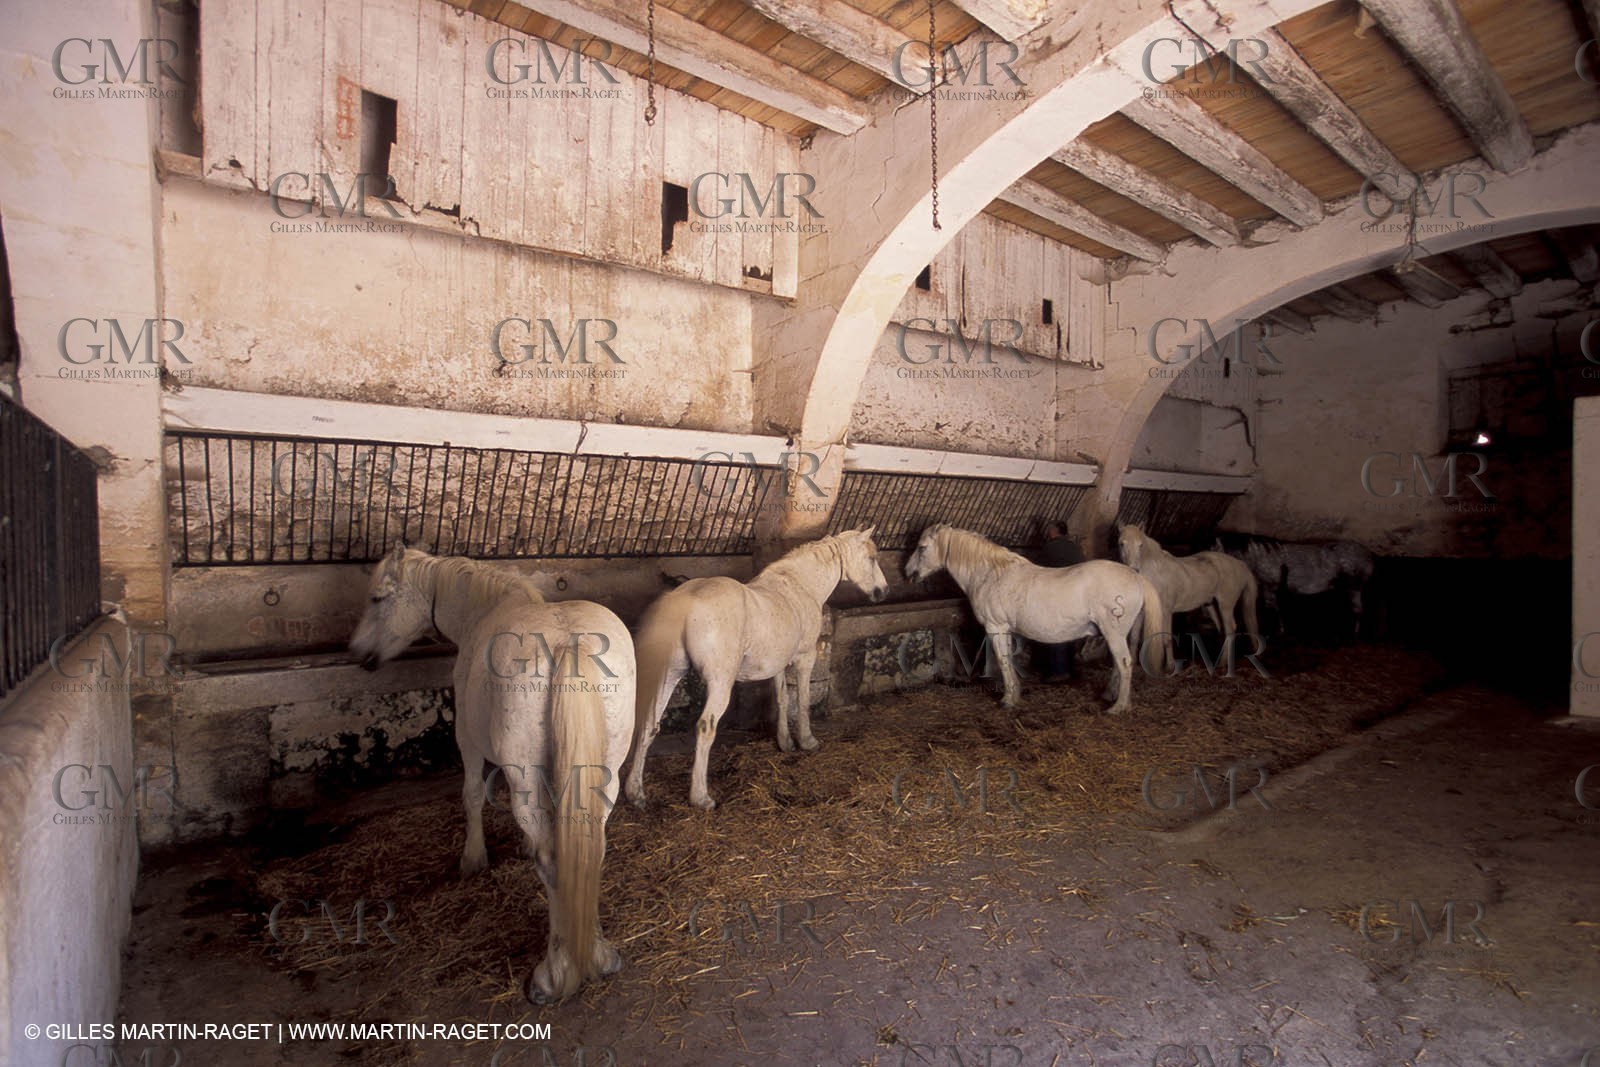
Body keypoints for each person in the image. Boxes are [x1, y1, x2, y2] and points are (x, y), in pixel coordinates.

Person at [1034, 521, 1084, 682]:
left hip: (1055, 594)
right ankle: (1072, 668)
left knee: (1054, 632)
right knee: (1071, 631)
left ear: (1055, 531)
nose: (1048, 532)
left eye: (1050, 529)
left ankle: (1059, 671)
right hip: (1075, 595)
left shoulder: (1050, 548)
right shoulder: (1075, 548)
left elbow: (1037, 570)